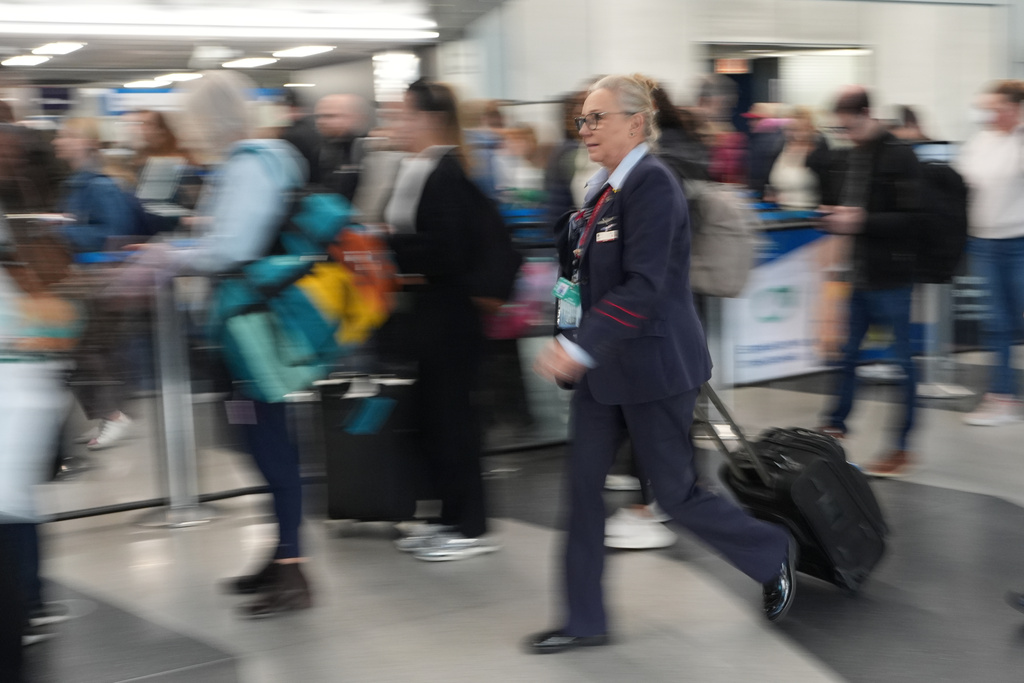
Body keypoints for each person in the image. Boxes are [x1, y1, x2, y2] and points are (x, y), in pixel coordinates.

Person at [527, 73, 796, 654]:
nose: (586, 128)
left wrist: (577, 347)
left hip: (654, 368)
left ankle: (771, 550)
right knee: (581, 493)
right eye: (583, 119)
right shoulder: (602, 191)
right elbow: (586, 277)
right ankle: (583, 619)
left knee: (675, 494)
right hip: (603, 372)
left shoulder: (654, 184)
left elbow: (645, 287)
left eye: (597, 117)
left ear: (635, 123)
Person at [158, 71, 312, 617]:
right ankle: (282, 554)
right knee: (262, 442)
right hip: (253, 322)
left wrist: (171, 255)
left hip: (249, 327)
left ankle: (292, 568)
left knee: (268, 443)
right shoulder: (262, 160)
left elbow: (232, 249)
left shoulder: (249, 164)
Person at [383, 79, 499, 562]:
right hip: (428, 317)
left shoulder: (445, 173)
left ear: (427, 118)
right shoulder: (418, 168)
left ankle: (469, 525)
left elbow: (447, 249)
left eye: (402, 114)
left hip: (449, 318)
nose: (395, 123)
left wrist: (387, 247)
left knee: (452, 421)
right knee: (430, 420)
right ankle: (446, 515)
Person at [817, 87, 924, 478]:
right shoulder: (848, 157)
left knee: (901, 362)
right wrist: (834, 216)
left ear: (867, 114)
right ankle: (835, 425)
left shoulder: (900, 155)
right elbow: (848, 210)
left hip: (891, 276)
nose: (847, 133)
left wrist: (860, 220)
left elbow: (912, 219)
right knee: (846, 355)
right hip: (856, 275)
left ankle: (902, 445)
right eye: (841, 128)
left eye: (851, 125)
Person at [956, 80, 1024, 427]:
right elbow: (962, 184)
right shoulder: (980, 141)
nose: (987, 113)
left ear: (1014, 108)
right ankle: (1002, 397)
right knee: (997, 323)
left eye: (995, 107)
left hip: (1019, 242)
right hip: (983, 242)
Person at [766, 108, 828, 209]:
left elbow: (827, 186)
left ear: (810, 128)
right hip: (782, 212)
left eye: (800, 129)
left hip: (809, 213)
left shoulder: (818, 151)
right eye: (791, 129)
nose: (795, 134)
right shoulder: (780, 149)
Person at [314, 93, 370, 201]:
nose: (321, 121)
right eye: (318, 116)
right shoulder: (320, 151)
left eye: (331, 116)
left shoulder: (368, 151)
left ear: (356, 117)